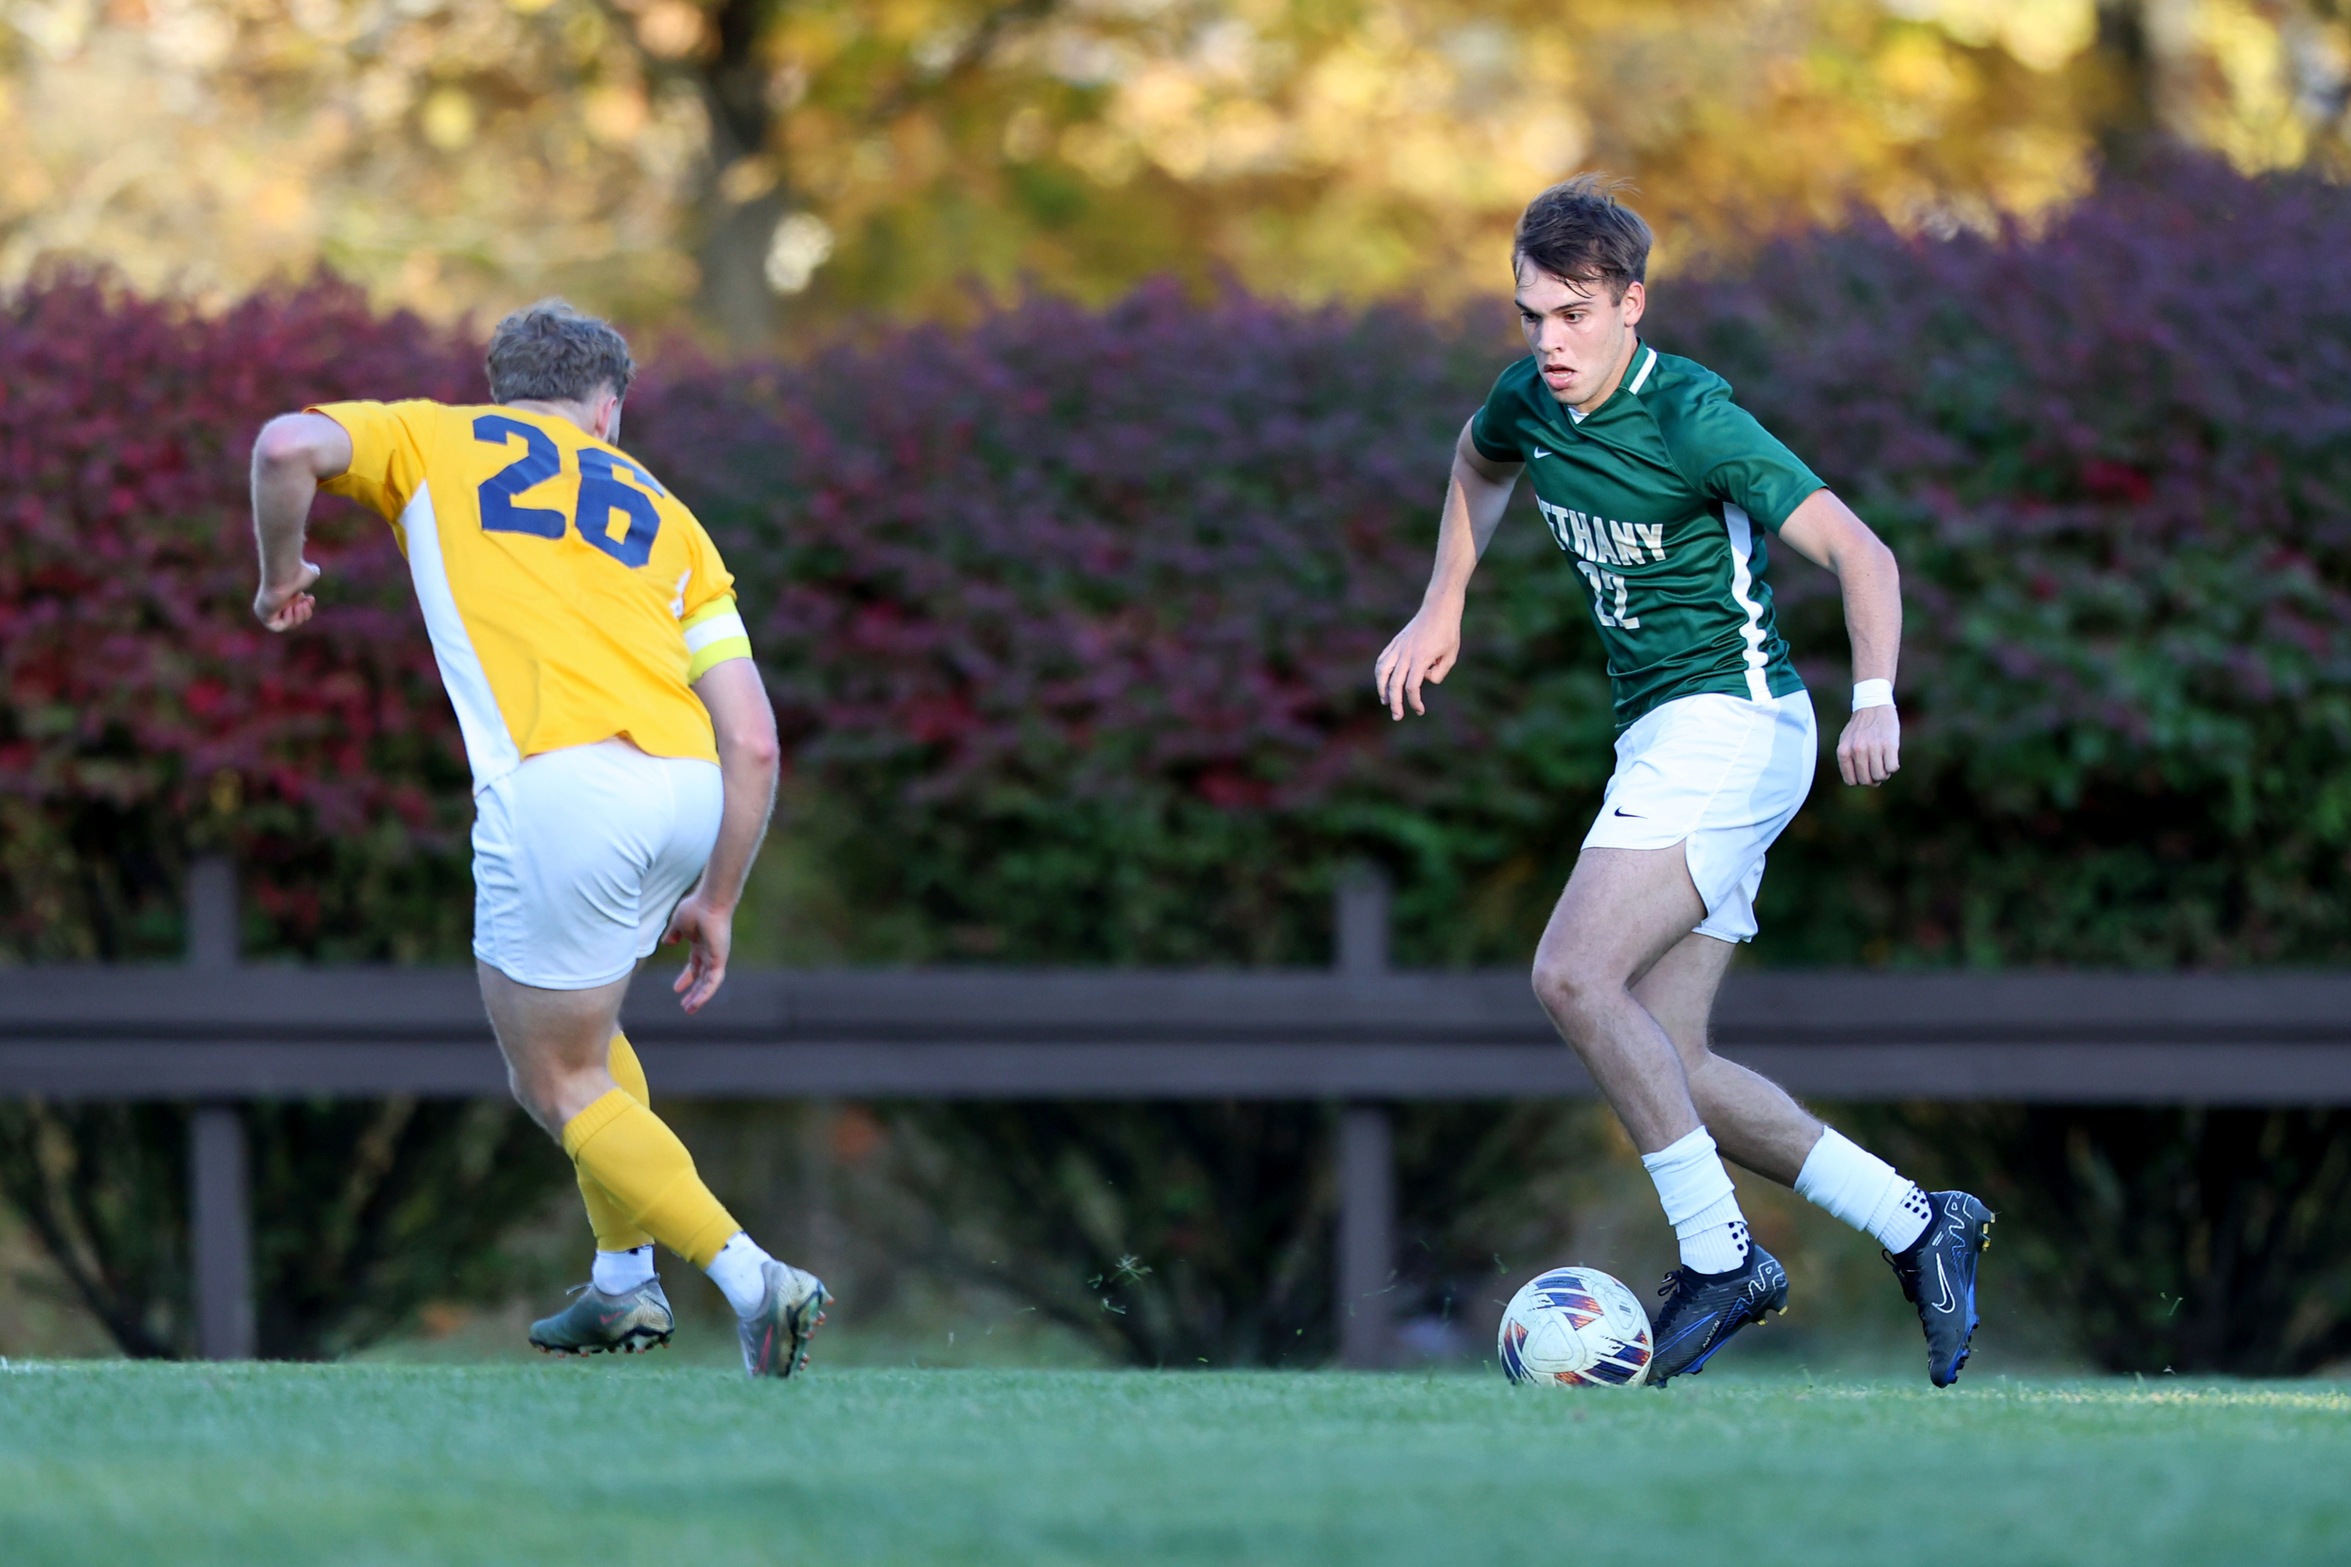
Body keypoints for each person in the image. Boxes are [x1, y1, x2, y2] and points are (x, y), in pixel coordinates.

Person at [1375, 177, 1991, 1387]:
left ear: (1630, 307)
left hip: (1731, 730)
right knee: (1672, 1053)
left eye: (1571, 315)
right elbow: (1475, 460)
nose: (1547, 342)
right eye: (1528, 315)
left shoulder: (1693, 418)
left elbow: (1862, 554)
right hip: (1661, 735)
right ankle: (1920, 1222)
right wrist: (1442, 597)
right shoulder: (1526, 399)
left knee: (1568, 972)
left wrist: (1875, 699)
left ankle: (1722, 1258)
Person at [247, 300, 828, 1378]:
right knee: (592, 1044)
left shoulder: (431, 435)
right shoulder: (668, 512)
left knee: (554, 1080)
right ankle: (620, 1286)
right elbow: (751, 738)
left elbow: (285, 444)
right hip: (687, 787)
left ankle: (756, 1282)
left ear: (498, 385)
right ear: (609, 408)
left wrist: (283, 574)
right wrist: (718, 898)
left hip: (562, 789)